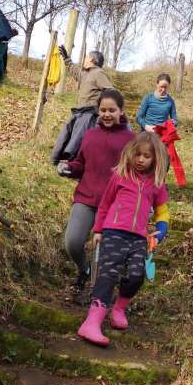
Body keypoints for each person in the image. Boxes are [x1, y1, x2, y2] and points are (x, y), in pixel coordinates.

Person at [76, 132, 169, 346]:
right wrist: (98, 230)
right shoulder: (120, 175)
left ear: (155, 159)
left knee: (136, 276)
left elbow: (162, 212)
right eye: (137, 154)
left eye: (146, 156)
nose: (141, 159)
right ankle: (91, 322)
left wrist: (162, 229)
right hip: (113, 232)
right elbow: (105, 204)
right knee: (107, 275)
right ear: (130, 154)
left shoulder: (156, 184)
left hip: (138, 238)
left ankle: (118, 308)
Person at [58, 89, 134, 296]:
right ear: (97, 111)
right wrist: (69, 167)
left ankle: (101, 293)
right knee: (72, 243)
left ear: (121, 111)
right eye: (103, 110)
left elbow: (137, 172)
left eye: (112, 110)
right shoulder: (90, 135)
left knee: (109, 253)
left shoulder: (131, 140)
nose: (107, 114)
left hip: (115, 204)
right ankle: (85, 270)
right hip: (86, 197)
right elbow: (81, 163)